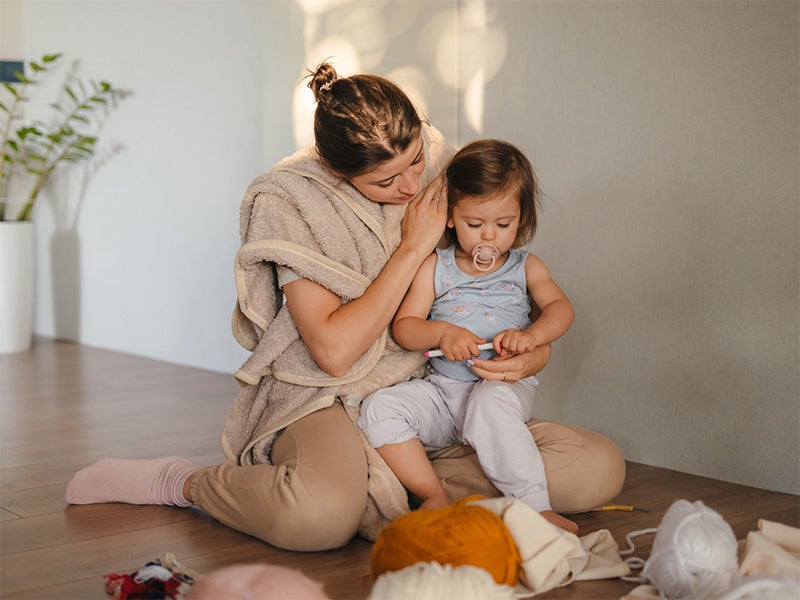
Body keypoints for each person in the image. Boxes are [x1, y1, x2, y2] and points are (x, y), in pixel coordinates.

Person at [65, 63, 625, 552]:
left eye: (415, 160)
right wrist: (411, 247)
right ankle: (185, 484)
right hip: (325, 393)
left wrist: (530, 358)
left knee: (597, 470)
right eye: (386, 180)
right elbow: (332, 353)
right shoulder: (290, 202)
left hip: (436, 388)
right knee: (316, 520)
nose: (413, 185)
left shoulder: (440, 165)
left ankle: (396, 481)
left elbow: (505, 300)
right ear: (339, 173)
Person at [358, 139, 578, 533]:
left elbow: (561, 310)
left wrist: (533, 337)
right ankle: (431, 493)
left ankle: (535, 506)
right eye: (474, 225)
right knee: (379, 407)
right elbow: (406, 326)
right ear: (450, 217)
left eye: (504, 225)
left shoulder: (525, 267)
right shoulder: (435, 266)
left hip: (501, 391)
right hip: (444, 394)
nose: (488, 238)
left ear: (522, 219)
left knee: (491, 405)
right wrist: (441, 333)